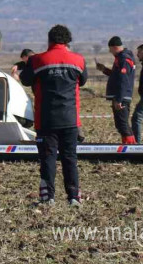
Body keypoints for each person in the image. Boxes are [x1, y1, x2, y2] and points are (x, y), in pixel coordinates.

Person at [21, 25, 87, 206]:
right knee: (70, 158)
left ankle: (47, 197)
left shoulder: (37, 60)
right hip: (70, 119)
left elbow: (25, 80)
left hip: (46, 120)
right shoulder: (79, 60)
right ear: (68, 42)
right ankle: (74, 196)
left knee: (48, 158)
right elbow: (83, 80)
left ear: (49, 40)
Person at [95, 36, 136, 144]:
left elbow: (123, 80)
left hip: (122, 96)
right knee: (121, 123)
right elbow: (116, 76)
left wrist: (119, 99)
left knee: (122, 123)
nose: (110, 52)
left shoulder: (124, 59)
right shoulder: (121, 58)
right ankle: (128, 144)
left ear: (114, 47)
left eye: (110, 49)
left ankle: (131, 146)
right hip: (121, 95)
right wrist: (104, 69)